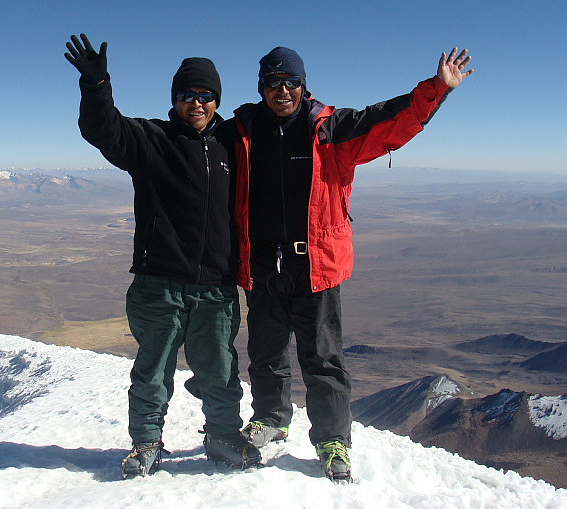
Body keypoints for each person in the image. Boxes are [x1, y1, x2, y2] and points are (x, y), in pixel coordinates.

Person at [223, 46, 473, 482]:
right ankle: (272, 418)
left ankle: (333, 439)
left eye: (291, 82)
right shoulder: (241, 131)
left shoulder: (329, 129)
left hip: (313, 264)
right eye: (273, 82)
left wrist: (437, 90)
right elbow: (194, 142)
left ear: (303, 85)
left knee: (323, 358)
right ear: (261, 86)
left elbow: (388, 122)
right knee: (265, 353)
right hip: (262, 263)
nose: (282, 91)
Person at [63, 33, 261, 477]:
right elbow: (103, 130)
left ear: (217, 101)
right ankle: (147, 443)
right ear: (174, 100)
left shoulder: (233, 144)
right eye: (187, 95)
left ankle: (224, 436)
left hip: (215, 286)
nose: (197, 103)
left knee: (220, 370)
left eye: (206, 96)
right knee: (152, 372)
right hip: (160, 285)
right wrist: (96, 87)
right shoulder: (151, 140)